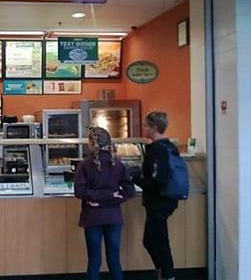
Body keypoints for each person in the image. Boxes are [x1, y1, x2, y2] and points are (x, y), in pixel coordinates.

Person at [74, 126, 135, 280]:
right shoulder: (117, 164)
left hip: (93, 217)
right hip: (113, 216)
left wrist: (96, 200)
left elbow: (79, 191)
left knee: (94, 262)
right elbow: (130, 189)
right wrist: (113, 197)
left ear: (90, 143)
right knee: (114, 261)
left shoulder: (84, 165)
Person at [132, 111, 179, 280]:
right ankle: (163, 273)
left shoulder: (158, 150)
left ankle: (167, 275)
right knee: (151, 241)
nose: (143, 128)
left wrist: (135, 178)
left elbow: (157, 180)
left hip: (159, 202)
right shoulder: (170, 146)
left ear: (154, 128)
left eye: (145, 125)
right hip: (164, 200)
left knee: (159, 242)